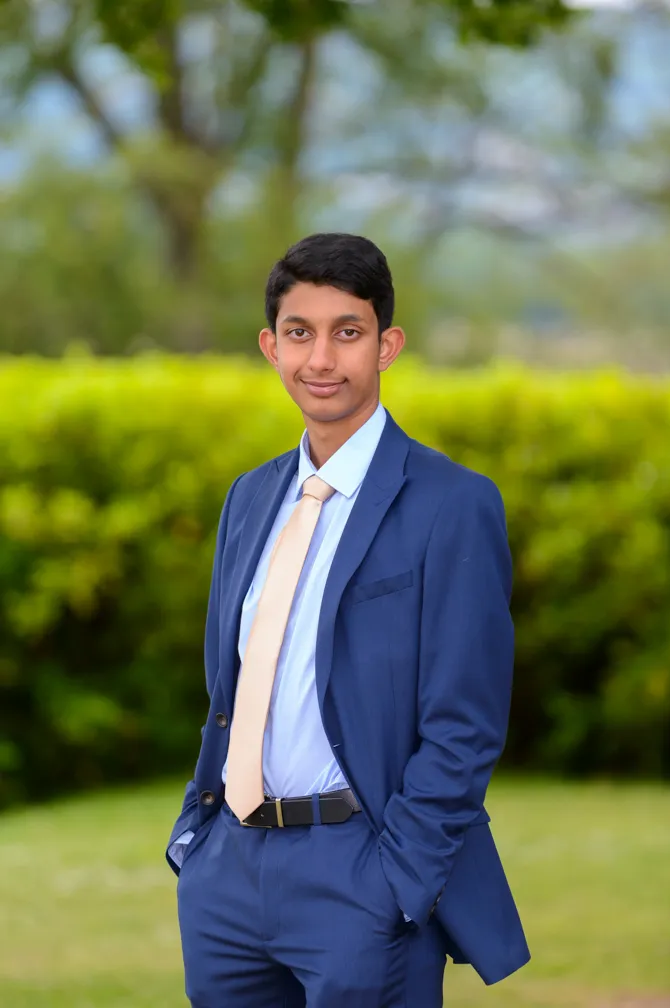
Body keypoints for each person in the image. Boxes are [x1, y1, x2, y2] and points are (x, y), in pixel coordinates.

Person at [165, 232, 530, 1008]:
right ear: (270, 346)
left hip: (359, 873)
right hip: (226, 877)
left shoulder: (451, 504)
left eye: (347, 333)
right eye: (299, 333)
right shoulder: (250, 499)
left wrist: (398, 880)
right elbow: (227, 684)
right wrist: (197, 848)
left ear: (386, 344)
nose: (321, 359)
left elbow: (464, 721)